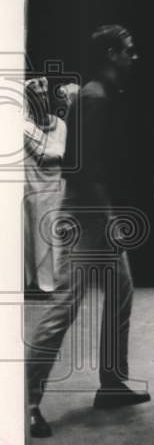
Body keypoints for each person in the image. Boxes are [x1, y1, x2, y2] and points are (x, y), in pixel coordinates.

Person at [27, 26, 148, 439]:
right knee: (66, 305)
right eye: (129, 51)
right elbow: (87, 166)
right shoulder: (95, 97)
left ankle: (112, 383)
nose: (135, 57)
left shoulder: (99, 95)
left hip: (95, 210)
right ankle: (26, 401)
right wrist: (109, 219)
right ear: (112, 54)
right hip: (87, 215)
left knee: (122, 291)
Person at [23, 77, 68, 296]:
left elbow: (60, 151)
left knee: (56, 235)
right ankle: (41, 285)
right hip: (36, 188)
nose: (41, 99)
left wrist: (58, 153)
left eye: (43, 95)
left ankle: (56, 279)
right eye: (35, 96)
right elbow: (48, 154)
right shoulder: (25, 128)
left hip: (56, 187)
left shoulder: (60, 125)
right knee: (39, 236)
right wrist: (59, 152)